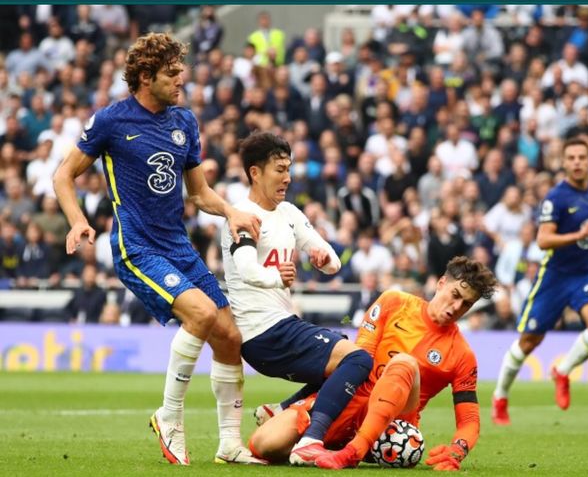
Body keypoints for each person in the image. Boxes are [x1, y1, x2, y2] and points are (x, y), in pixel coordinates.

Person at [52, 33, 263, 466]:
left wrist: (232, 213)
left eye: (181, 71)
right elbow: (62, 175)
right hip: (137, 247)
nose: (181, 79)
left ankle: (228, 444)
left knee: (229, 337)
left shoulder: (184, 121)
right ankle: (169, 417)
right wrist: (78, 220)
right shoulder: (111, 121)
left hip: (178, 246)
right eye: (172, 73)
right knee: (203, 315)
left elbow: (199, 193)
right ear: (145, 77)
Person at [247, 256, 498, 470]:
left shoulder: (462, 354)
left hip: (391, 427)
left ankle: (353, 451)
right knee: (263, 444)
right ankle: (333, 441)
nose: (456, 306)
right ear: (441, 283)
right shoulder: (393, 303)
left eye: (466, 304)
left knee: (404, 364)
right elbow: (357, 361)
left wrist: (457, 449)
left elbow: (469, 421)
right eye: (455, 295)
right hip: (347, 402)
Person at [221, 131, 373, 466]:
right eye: (279, 169)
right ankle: (311, 439)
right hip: (262, 332)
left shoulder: (288, 212)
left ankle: (281, 410)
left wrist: (322, 258)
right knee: (359, 360)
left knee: (344, 360)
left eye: (289, 168)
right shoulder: (242, 216)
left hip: (283, 324)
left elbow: (331, 259)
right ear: (255, 172)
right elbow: (246, 268)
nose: (287, 177)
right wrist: (278, 277)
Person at [491, 138, 588, 425]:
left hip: (585, 274)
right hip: (554, 277)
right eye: (572, 158)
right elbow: (543, 240)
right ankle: (500, 397)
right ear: (564, 163)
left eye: (582, 157)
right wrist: (577, 236)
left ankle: (562, 371)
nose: (577, 162)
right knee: (529, 341)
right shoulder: (556, 197)